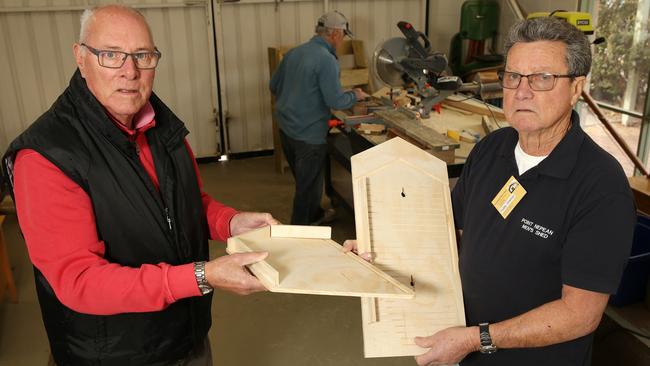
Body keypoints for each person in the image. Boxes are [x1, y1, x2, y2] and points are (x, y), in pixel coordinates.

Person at [346, 17, 636, 366]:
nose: (522, 91)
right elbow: (450, 235)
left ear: (576, 88)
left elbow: (580, 314)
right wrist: (383, 248)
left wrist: (476, 338)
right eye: (513, 76)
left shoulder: (601, 185)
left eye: (543, 78)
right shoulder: (491, 149)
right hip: (463, 349)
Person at [1, 4, 277, 365]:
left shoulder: (160, 125)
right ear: (81, 58)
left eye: (142, 55)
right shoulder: (46, 156)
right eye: (111, 55)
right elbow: (79, 280)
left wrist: (230, 222)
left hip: (184, 334)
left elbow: (183, 202)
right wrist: (201, 276)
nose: (129, 72)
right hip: (114, 352)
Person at [270, 10, 369, 225]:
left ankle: (315, 215)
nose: (342, 41)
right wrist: (356, 95)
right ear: (334, 34)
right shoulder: (326, 60)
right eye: (343, 35)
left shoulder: (294, 53)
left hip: (286, 130)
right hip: (309, 136)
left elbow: (274, 85)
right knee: (306, 190)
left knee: (307, 182)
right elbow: (336, 102)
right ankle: (299, 235)